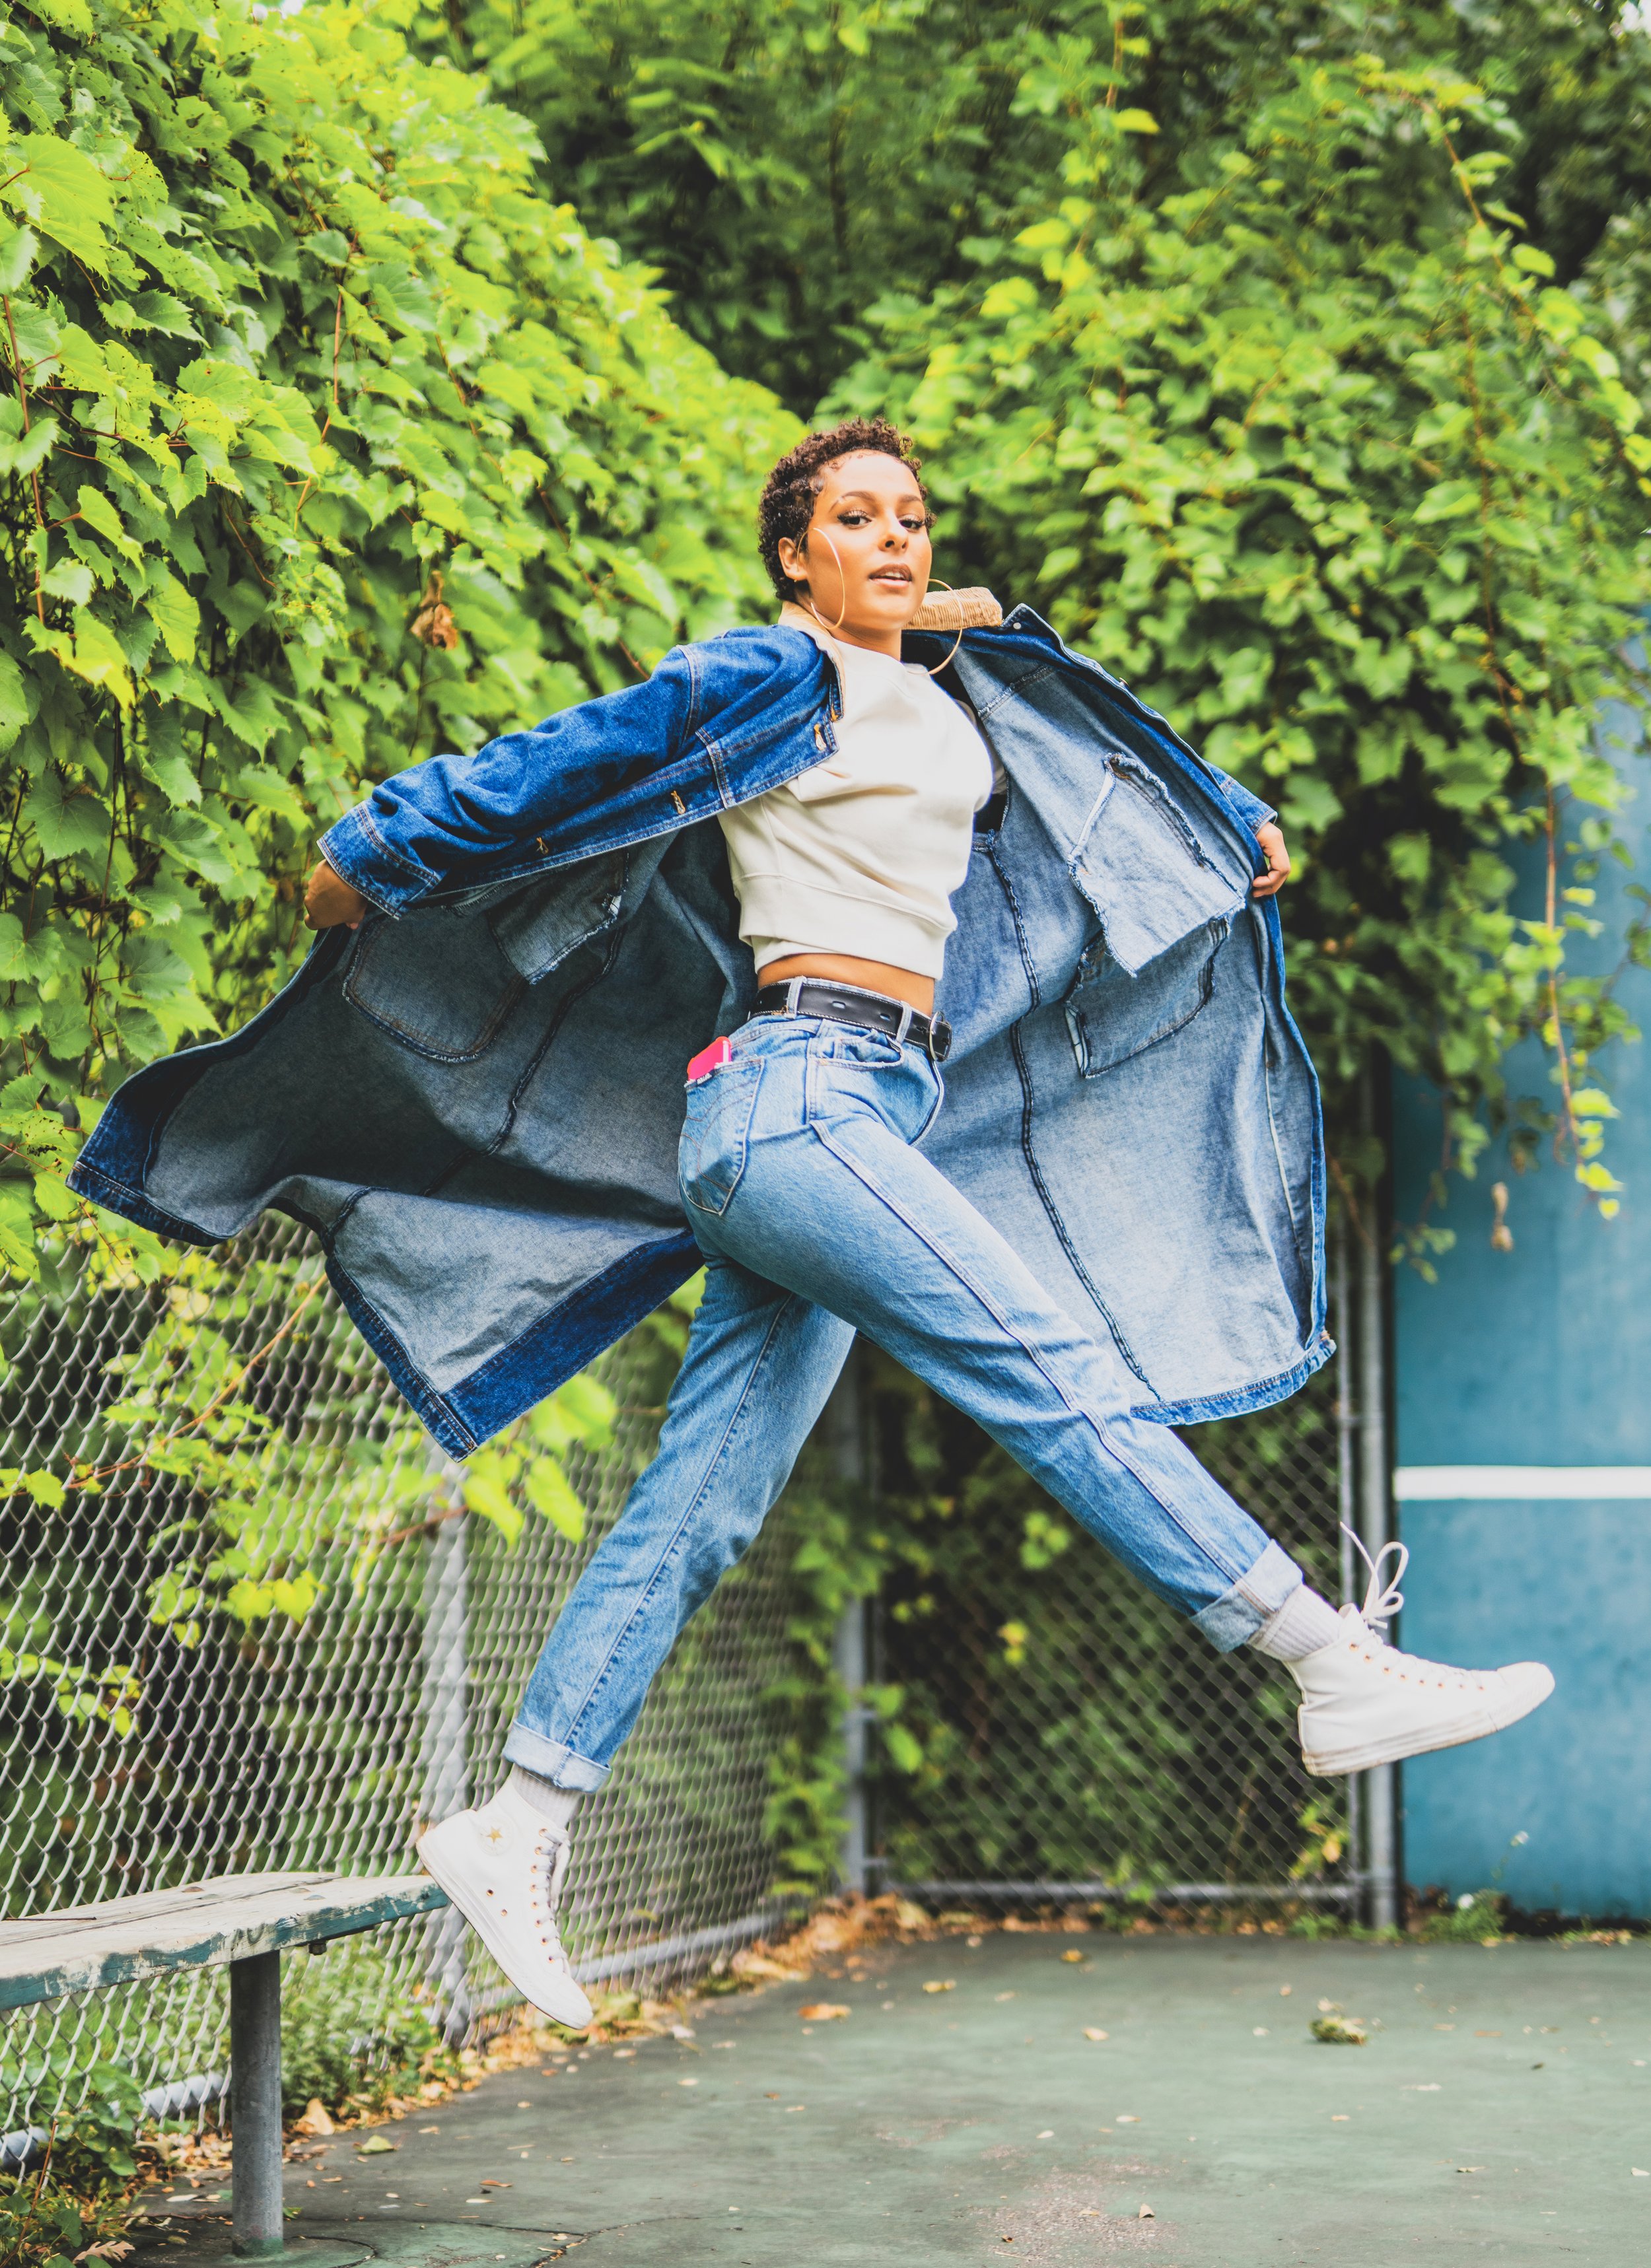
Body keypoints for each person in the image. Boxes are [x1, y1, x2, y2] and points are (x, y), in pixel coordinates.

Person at [72, 419, 1551, 2029]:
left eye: (911, 516)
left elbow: (1072, 730)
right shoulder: (772, 674)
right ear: (794, 551)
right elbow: (560, 759)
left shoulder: (935, 681)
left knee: (702, 1503)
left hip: (861, 1108)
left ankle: (517, 1820)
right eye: (855, 517)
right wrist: (369, 854)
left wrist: (1211, 805)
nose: (894, 537)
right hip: (797, 1100)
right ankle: (1315, 1652)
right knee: (1040, 1363)